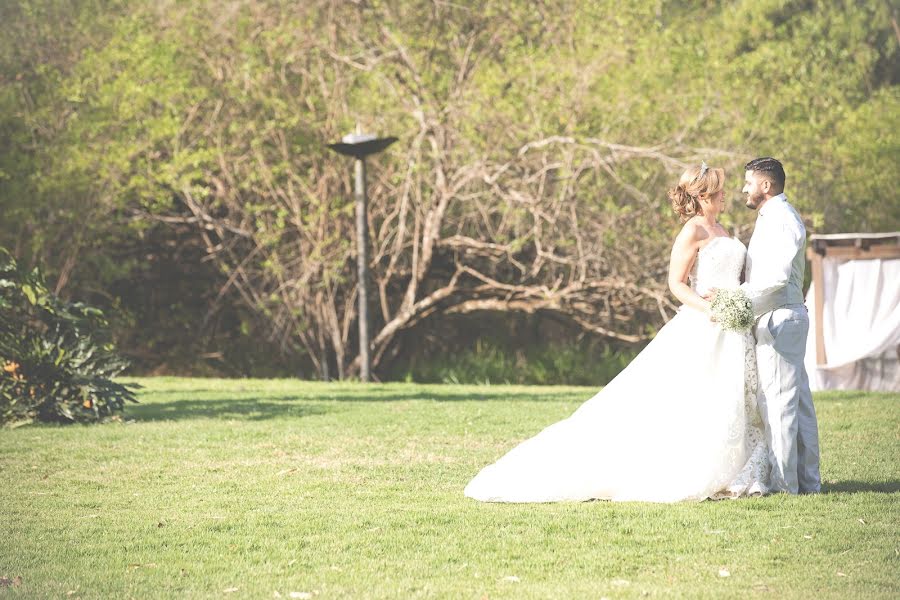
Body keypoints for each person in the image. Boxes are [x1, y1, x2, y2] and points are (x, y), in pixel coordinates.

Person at [464, 164, 769, 503]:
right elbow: (676, 284)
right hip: (705, 324)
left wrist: (736, 302)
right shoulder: (692, 231)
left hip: (734, 329)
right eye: (719, 189)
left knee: (727, 399)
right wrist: (709, 308)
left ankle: (733, 468)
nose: (726, 194)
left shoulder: (723, 229)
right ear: (702, 196)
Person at [738, 157, 820, 494]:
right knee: (795, 403)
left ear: (766, 186)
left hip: (781, 318)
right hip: (778, 316)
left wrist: (738, 296)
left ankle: (788, 486)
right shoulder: (771, 217)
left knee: (781, 403)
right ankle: (806, 483)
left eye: (748, 182)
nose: (743, 188)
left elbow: (777, 277)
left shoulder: (783, 220)